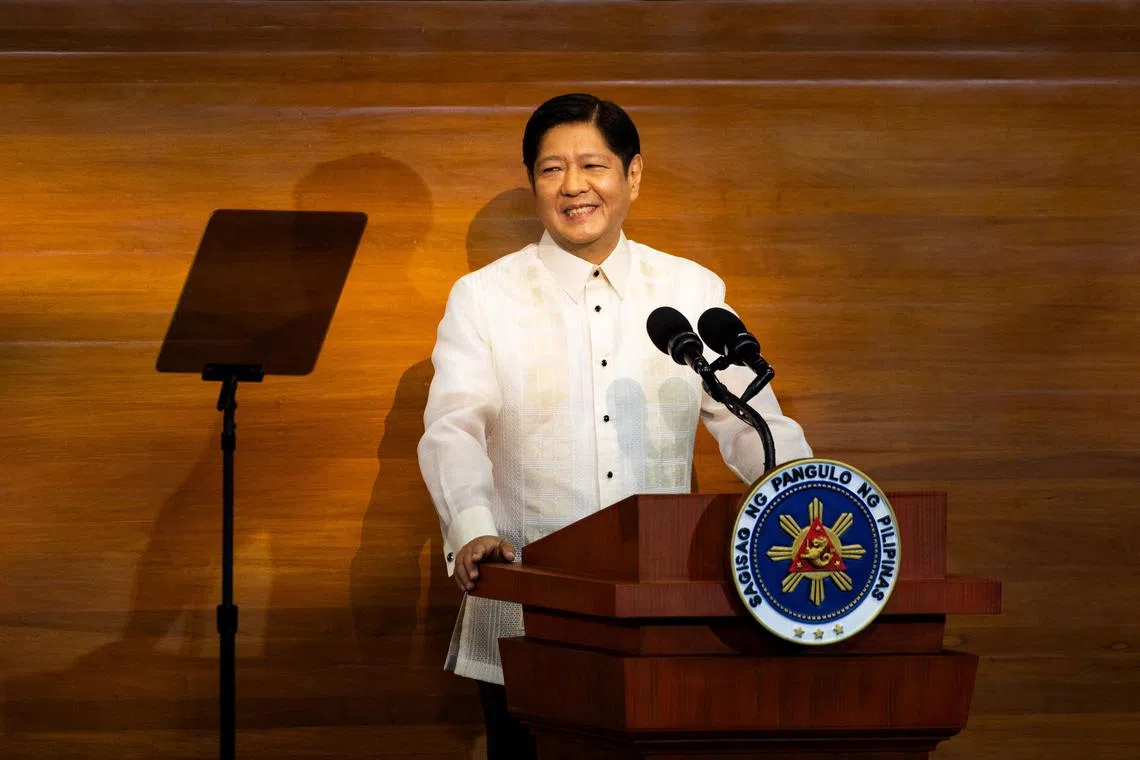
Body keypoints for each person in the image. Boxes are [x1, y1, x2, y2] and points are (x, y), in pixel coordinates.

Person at [418, 93, 812, 760]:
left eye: (593, 165)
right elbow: (454, 425)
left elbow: (754, 422)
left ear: (632, 175)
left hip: (665, 610)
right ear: (531, 182)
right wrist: (471, 526)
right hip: (528, 606)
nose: (574, 186)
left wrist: (810, 502)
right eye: (551, 169)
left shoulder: (688, 290)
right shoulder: (484, 297)